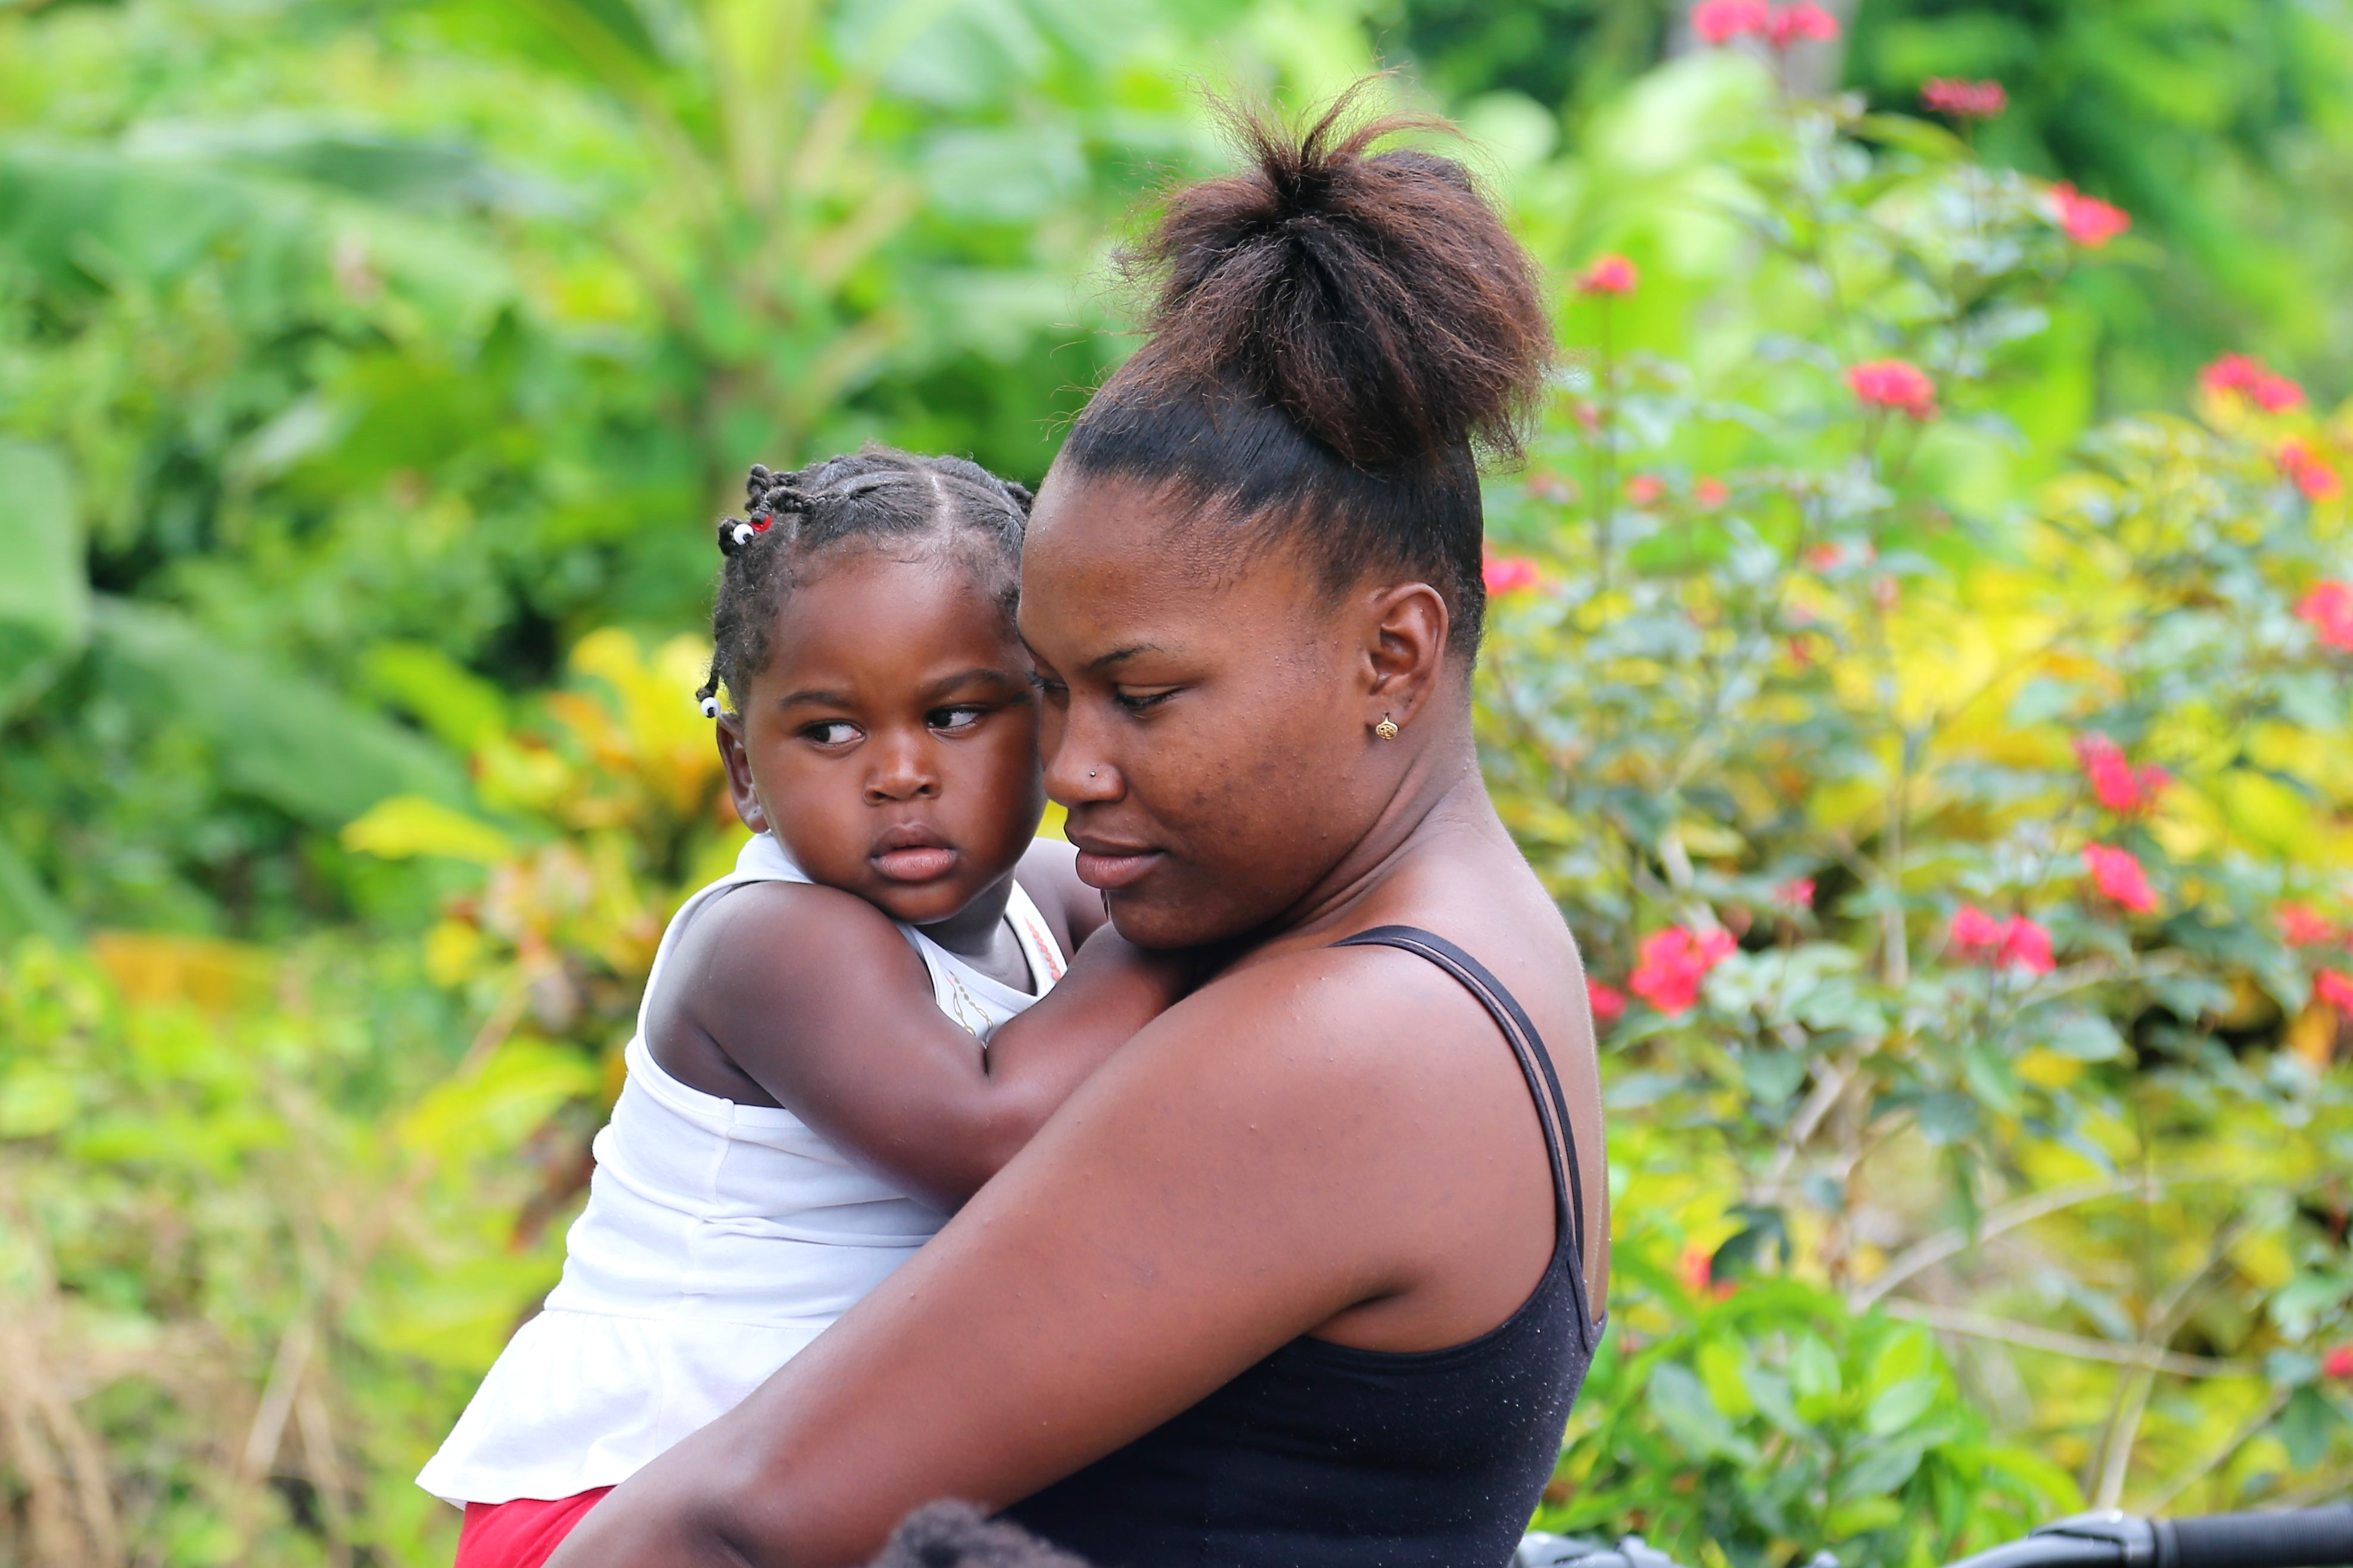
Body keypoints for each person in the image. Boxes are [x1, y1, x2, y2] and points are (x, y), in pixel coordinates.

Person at [547, 87, 1610, 1568]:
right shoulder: (1445, 940)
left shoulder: (1348, 1039)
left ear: (1393, 657)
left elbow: (720, 1526)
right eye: (1046, 694)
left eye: (1145, 695)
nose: (1070, 771)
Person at [418, 448, 1188, 1568]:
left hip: (789, 1490)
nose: (899, 773)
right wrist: (1192, 897)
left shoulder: (1045, 905)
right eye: (829, 732)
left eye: (959, 714)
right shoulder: (774, 941)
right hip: (628, 1504)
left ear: (1049, 715)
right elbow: (992, 1132)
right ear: (743, 764)